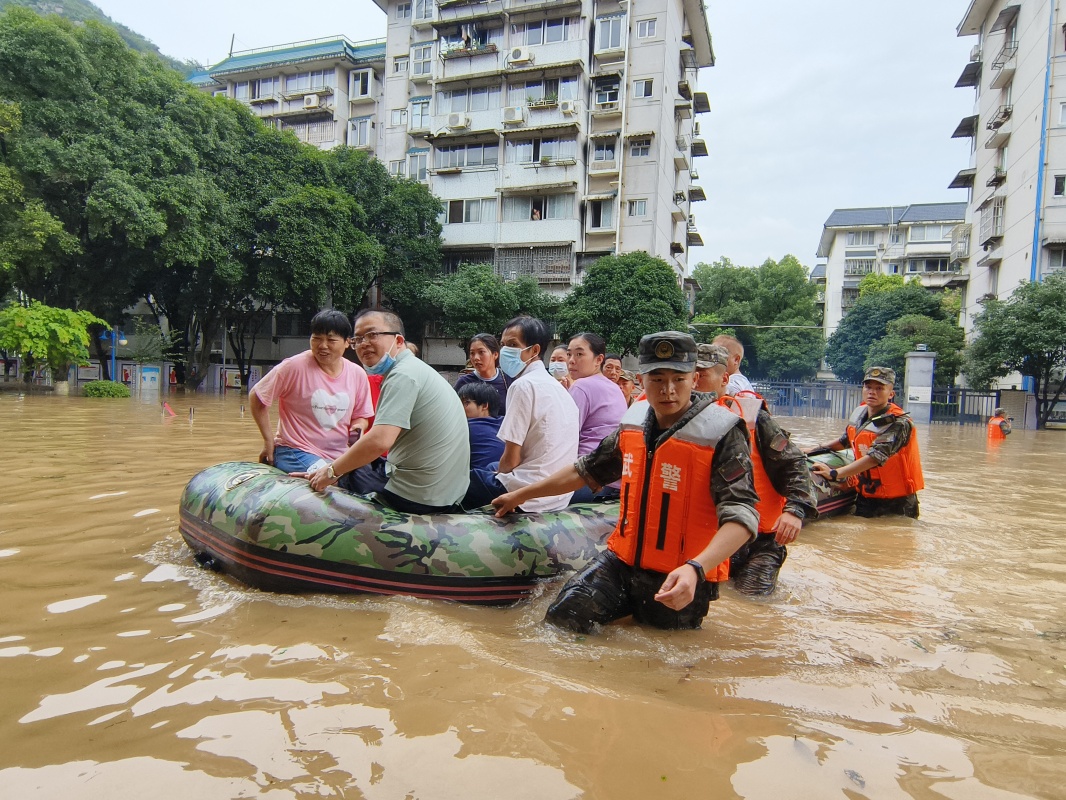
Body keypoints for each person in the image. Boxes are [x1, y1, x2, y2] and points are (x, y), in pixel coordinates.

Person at [493, 332, 759, 634]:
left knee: (658, 660)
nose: (668, 390)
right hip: (621, 563)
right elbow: (586, 470)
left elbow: (743, 516)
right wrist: (520, 495)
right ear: (642, 380)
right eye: (657, 379)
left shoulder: (722, 433)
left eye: (678, 379)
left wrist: (696, 568)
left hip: (681, 575)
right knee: (561, 622)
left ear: (694, 380)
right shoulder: (634, 422)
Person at [303, 309, 470, 514]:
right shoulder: (414, 369)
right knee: (353, 462)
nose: (364, 343)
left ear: (398, 341)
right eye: (358, 339)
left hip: (416, 497)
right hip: (443, 492)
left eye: (372, 335)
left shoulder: (402, 376)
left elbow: (379, 441)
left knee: (346, 470)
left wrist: (330, 472)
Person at [697, 344, 818, 595]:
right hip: (711, 537)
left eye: (703, 374)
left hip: (759, 539)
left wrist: (795, 510)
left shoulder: (753, 417)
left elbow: (794, 462)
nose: (695, 382)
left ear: (725, 379)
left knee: (752, 602)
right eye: (691, 375)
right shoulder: (679, 417)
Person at [462, 316, 579, 511]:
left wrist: (498, 474)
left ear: (534, 350)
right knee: (490, 467)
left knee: (456, 480)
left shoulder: (523, 385)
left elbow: (511, 460)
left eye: (513, 344)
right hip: (559, 495)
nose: (506, 350)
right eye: (504, 345)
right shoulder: (558, 389)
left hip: (525, 494)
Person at [250, 310, 373, 474]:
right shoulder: (293, 367)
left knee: (370, 480)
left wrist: (357, 427)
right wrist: (268, 441)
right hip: (295, 451)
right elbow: (257, 397)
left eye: (331, 340)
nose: (322, 346)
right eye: (316, 338)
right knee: (329, 478)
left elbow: (361, 415)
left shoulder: (357, 374)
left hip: (340, 456)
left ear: (347, 342)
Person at [806, 366, 924, 519]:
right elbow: (846, 441)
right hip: (865, 497)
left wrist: (835, 473)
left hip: (897, 503)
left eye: (879, 388)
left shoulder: (899, 423)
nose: (872, 392)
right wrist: (813, 449)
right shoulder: (860, 414)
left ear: (891, 394)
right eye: (868, 387)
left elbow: (875, 457)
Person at [566, 332, 628, 503]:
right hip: (616, 480)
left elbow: (564, 439)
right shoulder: (614, 388)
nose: (571, 360)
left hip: (589, 478)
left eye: (579, 354)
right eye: (569, 353)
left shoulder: (581, 386)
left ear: (599, 359)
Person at [454, 333, 510, 415]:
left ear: (495, 354)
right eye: (472, 353)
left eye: (481, 352)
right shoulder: (464, 382)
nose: (476, 358)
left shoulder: (508, 379)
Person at [458, 381, 506, 471]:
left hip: (479, 480)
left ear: (484, 405)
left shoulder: (465, 427)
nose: (460, 407)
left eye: (466, 402)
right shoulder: (506, 423)